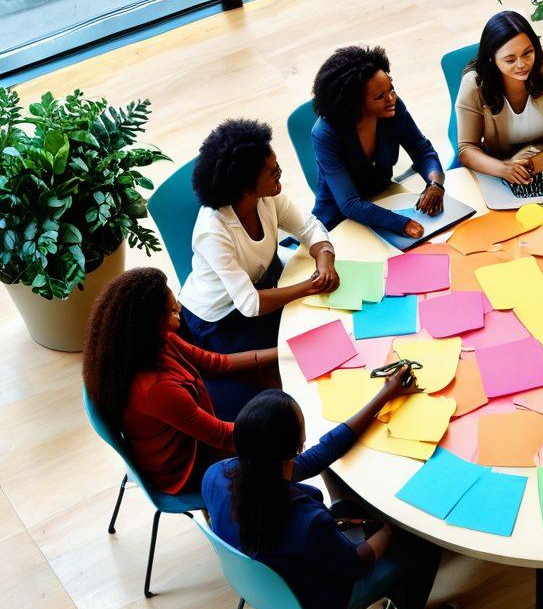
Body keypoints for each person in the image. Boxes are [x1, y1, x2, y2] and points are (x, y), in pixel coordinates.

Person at [202, 371, 457, 609]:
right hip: (319, 602)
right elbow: (357, 563)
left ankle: (396, 599)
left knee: (333, 471)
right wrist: (393, 526)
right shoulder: (307, 522)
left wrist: (385, 395)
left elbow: (321, 454)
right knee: (424, 541)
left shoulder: (219, 475)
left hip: (261, 586)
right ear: (297, 446)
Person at [178, 119, 339, 417]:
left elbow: (310, 226)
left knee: (321, 328)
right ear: (246, 186)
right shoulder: (213, 231)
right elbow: (249, 304)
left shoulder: (268, 197)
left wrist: (325, 258)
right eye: (273, 171)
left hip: (261, 293)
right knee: (292, 368)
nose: (280, 174)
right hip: (219, 320)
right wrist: (310, 285)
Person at [82, 268, 279, 495]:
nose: (179, 309)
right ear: (150, 322)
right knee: (274, 444)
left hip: (191, 426)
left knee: (268, 390)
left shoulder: (155, 341)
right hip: (186, 466)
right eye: (170, 310)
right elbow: (222, 437)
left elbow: (217, 363)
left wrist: (284, 349)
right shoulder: (156, 389)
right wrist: (279, 431)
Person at [310, 45, 446, 238]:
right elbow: (349, 204)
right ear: (354, 103)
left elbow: (422, 150)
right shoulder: (325, 134)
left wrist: (435, 184)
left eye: (392, 89)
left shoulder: (393, 108)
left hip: (386, 200)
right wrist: (401, 223)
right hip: (340, 222)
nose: (391, 98)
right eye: (379, 96)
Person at [456, 11, 543, 184]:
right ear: (491, 59)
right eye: (510, 60)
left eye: (528, 53)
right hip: (499, 172)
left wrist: (539, 162)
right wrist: (504, 170)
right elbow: (467, 148)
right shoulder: (473, 84)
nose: (522, 65)